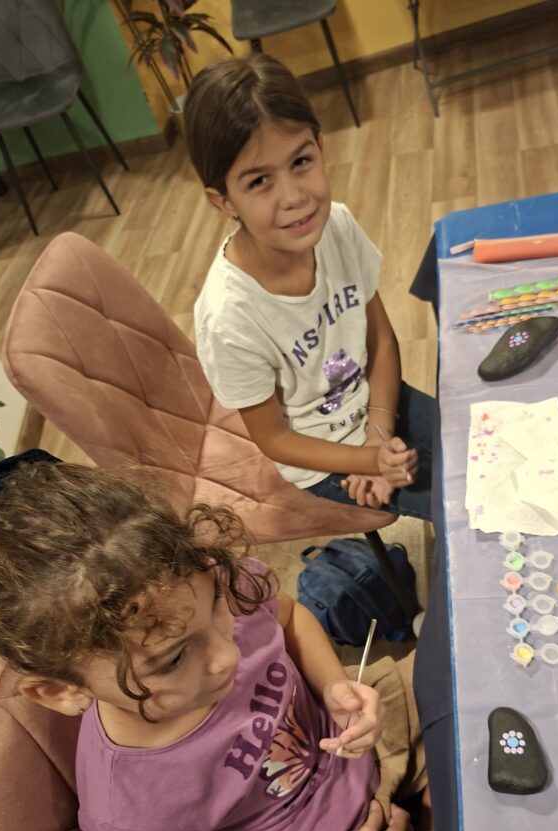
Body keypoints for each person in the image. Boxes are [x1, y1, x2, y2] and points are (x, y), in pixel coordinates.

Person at [0, 452, 443, 831]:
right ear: (61, 693)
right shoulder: (130, 811)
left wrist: (334, 686)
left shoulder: (215, 593)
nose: (228, 655)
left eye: (215, 605)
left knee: (499, 694)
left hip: (358, 737)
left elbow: (287, 618)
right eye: (172, 658)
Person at [184, 54, 434, 521]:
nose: (295, 196)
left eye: (301, 161)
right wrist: (369, 461)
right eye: (259, 181)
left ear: (320, 146)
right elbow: (275, 439)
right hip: (321, 457)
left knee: (482, 450)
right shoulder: (228, 318)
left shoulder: (337, 225)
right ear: (223, 201)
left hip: (379, 406)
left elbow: (380, 340)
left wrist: (378, 435)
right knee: (463, 504)